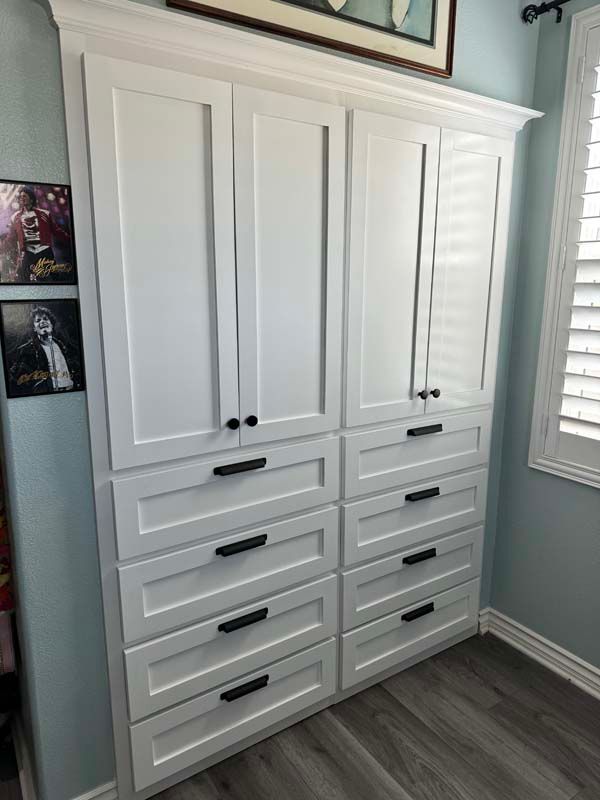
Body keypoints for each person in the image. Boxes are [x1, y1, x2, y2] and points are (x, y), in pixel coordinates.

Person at [9, 306, 82, 395]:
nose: (42, 321)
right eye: (38, 320)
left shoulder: (62, 345)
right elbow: (17, 379)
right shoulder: (27, 350)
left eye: (45, 319)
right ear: (34, 328)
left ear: (51, 324)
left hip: (71, 391)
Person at [6, 187, 71, 282]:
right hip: (28, 253)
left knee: (52, 279)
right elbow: (11, 237)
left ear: (31, 198)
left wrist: (71, 241)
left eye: (24, 196)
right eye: (20, 196)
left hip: (44, 251)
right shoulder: (15, 217)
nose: (21, 198)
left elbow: (56, 231)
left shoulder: (45, 213)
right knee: (24, 279)